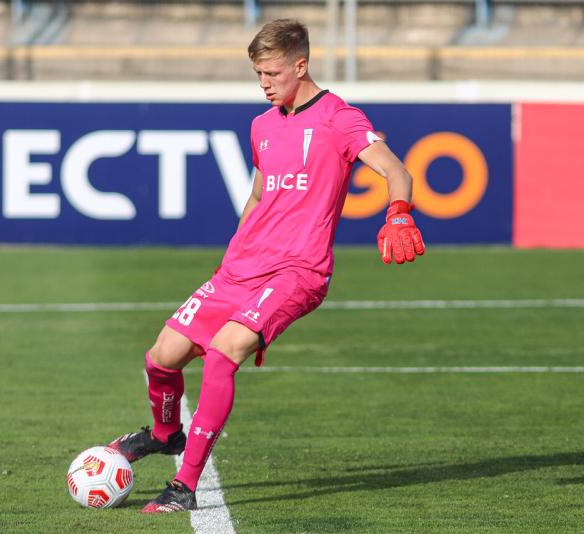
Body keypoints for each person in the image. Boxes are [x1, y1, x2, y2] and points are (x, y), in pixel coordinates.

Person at [108, 18, 425, 513]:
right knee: (161, 357)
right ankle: (167, 435)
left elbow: (395, 169)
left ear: (301, 65)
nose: (264, 84)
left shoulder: (339, 118)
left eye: (272, 73)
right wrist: (235, 251)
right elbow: (259, 193)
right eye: (258, 74)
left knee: (222, 353)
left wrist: (399, 213)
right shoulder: (263, 124)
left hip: (298, 271)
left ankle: (185, 485)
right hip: (240, 269)